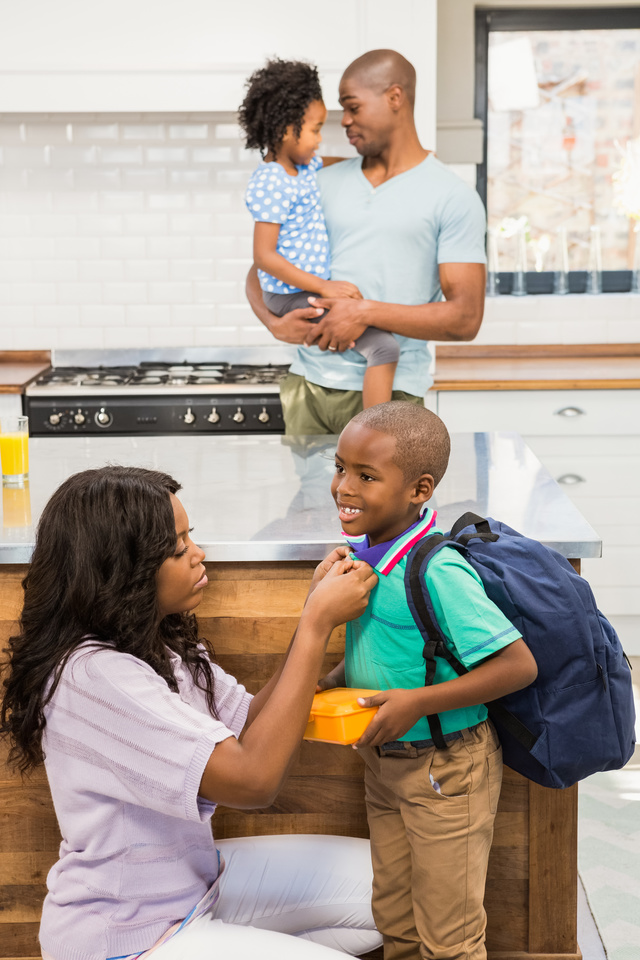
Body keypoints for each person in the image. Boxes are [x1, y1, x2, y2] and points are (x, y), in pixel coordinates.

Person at [0, 465, 382, 960]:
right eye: (177, 550)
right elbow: (252, 782)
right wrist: (315, 626)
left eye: (190, 538)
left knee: (394, 883)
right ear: (124, 571)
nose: (198, 554)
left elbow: (249, 724)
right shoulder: (95, 676)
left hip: (195, 890)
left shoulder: (157, 643)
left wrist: (313, 606)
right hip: (132, 936)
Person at [317, 403, 538, 960]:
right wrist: (337, 679)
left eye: (366, 476)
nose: (345, 487)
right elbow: (400, 645)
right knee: (394, 919)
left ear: (419, 489)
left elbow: (517, 665)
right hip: (385, 762)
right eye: (339, 467)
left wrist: (417, 702)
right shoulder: (367, 559)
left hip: (448, 767)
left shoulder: (438, 569)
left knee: (450, 938)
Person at [245, 49, 487, 436]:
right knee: (308, 499)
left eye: (353, 108)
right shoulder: (318, 181)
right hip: (308, 391)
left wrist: (364, 313)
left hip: (394, 396)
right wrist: (274, 324)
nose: (347, 122)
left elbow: (465, 318)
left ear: (395, 98)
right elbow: (261, 269)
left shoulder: (451, 196)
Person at [239, 58, 399, 409]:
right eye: (314, 129)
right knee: (384, 347)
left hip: (301, 289)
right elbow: (263, 256)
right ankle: (372, 435)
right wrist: (323, 287)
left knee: (374, 339)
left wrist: (399, 163)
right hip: (288, 295)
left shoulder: (302, 167)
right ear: (285, 129)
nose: (319, 139)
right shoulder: (271, 180)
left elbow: (331, 162)